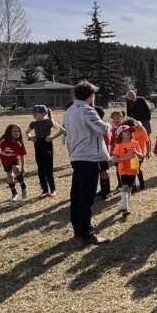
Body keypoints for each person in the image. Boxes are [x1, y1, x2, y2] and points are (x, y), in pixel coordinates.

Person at [63, 81, 112, 246]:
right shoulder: (87, 110)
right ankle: (87, 233)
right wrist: (109, 125)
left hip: (76, 155)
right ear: (90, 95)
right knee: (86, 197)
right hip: (89, 156)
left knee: (76, 195)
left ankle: (78, 228)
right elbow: (103, 129)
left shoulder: (69, 110)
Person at [26, 105, 65, 198]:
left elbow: (62, 130)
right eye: (33, 113)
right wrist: (31, 137)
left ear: (44, 113)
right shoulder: (33, 123)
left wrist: (52, 137)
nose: (34, 115)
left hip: (47, 144)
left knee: (48, 169)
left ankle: (53, 189)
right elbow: (27, 132)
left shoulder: (49, 122)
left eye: (37, 113)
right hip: (38, 145)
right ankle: (44, 190)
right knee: (40, 169)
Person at [112, 125, 143, 218]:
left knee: (129, 189)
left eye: (130, 131)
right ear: (120, 134)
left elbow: (141, 156)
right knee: (125, 187)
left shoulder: (135, 143)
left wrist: (136, 153)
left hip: (133, 169)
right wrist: (127, 158)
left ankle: (124, 204)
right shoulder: (119, 145)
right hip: (123, 169)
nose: (129, 133)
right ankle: (125, 209)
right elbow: (114, 159)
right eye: (126, 131)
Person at [0, 124, 28, 202]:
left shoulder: (19, 143)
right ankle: (14, 193)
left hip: (14, 158)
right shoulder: (3, 139)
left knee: (16, 169)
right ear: (9, 132)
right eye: (14, 131)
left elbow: (22, 155)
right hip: (4, 159)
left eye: (18, 131)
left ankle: (23, 187)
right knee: (9, 174)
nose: (17, 133)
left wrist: (23, 167)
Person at [123, 118, 151, 190]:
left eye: (135, 126)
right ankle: (134, 186)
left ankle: (141, 184)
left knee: (136, 168)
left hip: (140, 153)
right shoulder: (126, 132)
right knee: (133, 169)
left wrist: (148, 152)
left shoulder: (141, 129)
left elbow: (147, 141)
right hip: (130, 154)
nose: (135, 127)